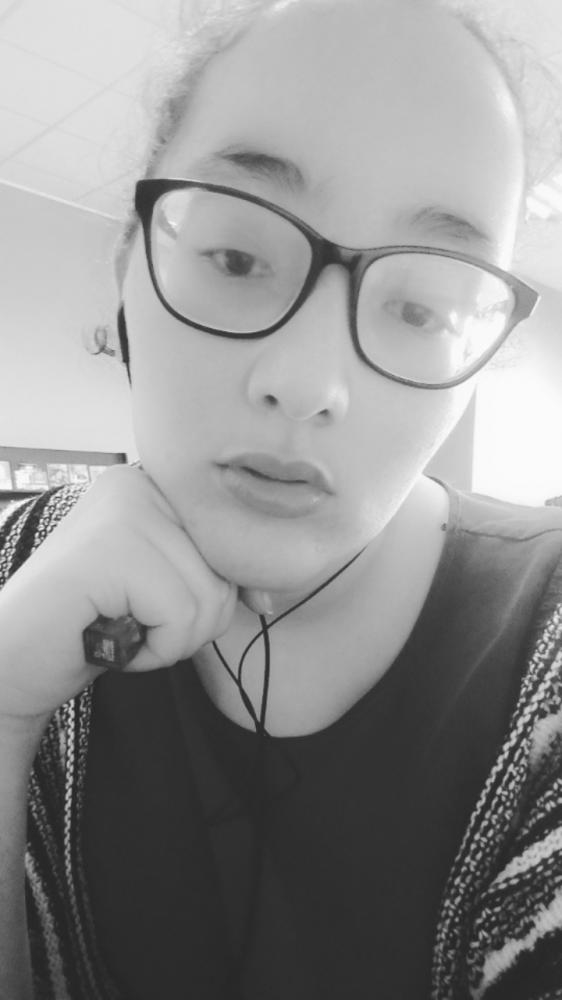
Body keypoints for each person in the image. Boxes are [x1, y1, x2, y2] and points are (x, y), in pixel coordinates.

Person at [1, 0, 562, 997]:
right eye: (237, 258)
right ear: (130, 266)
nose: (307, 384)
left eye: (422, 307)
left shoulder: (546, 646)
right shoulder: (15, 572)